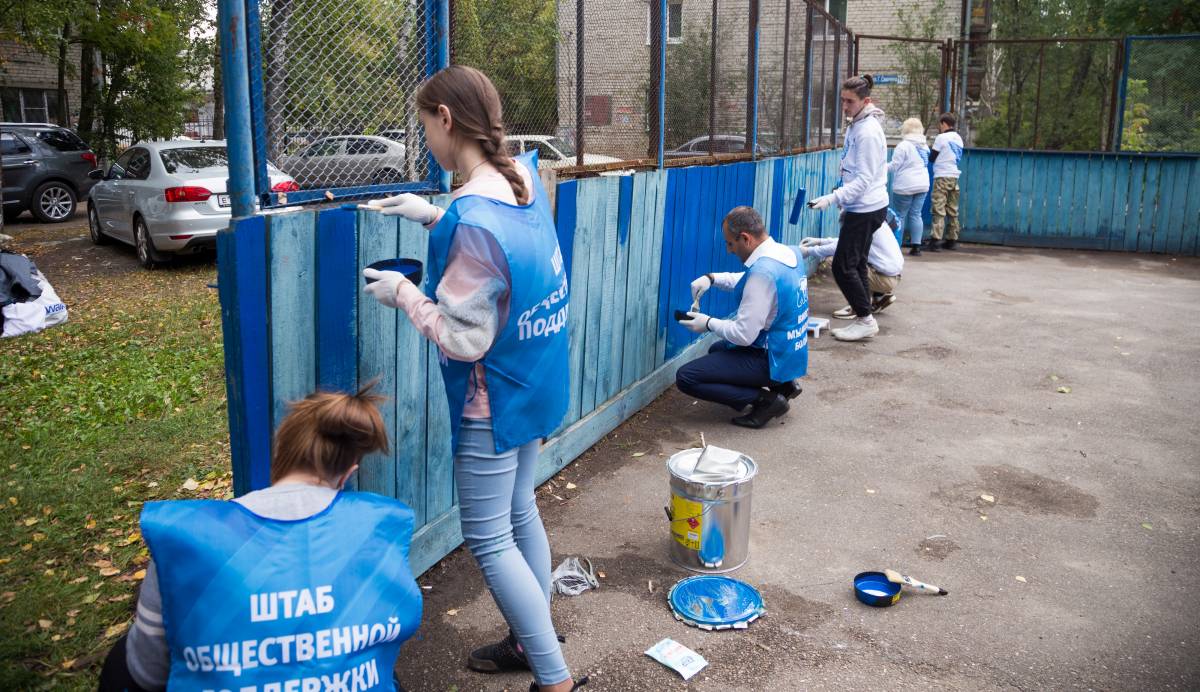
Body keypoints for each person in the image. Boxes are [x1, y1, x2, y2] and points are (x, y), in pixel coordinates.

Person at [360, 66, 583, 692]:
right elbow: (499, 259)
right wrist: (434, 217)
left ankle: (554, 677)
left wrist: (404, 292)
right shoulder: (524, 179)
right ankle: (528, 635)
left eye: (424, 123)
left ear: (447, 120)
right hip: (536, 375)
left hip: (495, 394)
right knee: (520, 510)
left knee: (488, 539)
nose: (424, 136)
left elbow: (465, 336)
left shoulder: (473, 214)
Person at [100, 385, 423, 692]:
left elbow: (146, 672)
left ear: (280, 452)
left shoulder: (188, 537)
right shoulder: (380, 528)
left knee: (120, 659)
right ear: (349, 472)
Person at [674, 206, 808, 429]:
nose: (729, 250)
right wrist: (712, 278)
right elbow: (750, 282)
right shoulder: (787, 252)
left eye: (730, 244)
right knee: (718, 350)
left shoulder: (762, 273)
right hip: (791, 352)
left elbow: (743, 335)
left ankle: (766, 401)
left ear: (745, 238)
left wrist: (707, 323)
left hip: (771, 357)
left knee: (687, 377)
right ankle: (785, 385)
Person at [807, 75, 889, 342]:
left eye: (849, 101)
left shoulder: (867, 132)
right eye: (842, 100)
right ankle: (862, 313)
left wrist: (832, 198)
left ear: (866, 101)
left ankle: (866, 319)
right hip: (863, 206)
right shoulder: (858, 124)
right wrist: (840, 196)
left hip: (866, 208)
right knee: (857, 263)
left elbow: (864, 180)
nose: (844, 106)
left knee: (843, 266)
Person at [800, 218, 904, 317]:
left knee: (836, 261)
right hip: (891, 275)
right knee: (855, 260)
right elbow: (847, 240)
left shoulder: (862, 221)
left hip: (884, 278)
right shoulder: (874, 218)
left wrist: (809, 251)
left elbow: (842, 247)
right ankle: (876, 298)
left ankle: (857, 307)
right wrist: (821, 241)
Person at [888, 117, 930, 256]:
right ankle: (916, 247)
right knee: (916, 214)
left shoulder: (904, 145)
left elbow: (894, 166)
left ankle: (896, 246)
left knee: (900, 215)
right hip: (922, 185)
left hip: (905, 186)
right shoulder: (925, 146)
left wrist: (879, 168)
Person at [929, 112, 964, 251]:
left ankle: (936, 241)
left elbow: (932, 158)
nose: (939, 127)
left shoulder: (941, 138)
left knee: (939, 209)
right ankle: (952, 240)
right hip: (954, 177)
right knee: (952, 209)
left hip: (942, 176)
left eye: (940, 124)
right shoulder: (959, 138)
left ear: (944, 123)